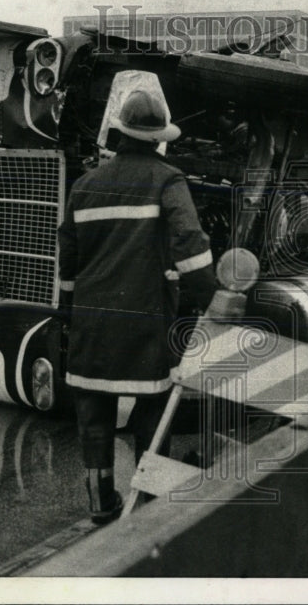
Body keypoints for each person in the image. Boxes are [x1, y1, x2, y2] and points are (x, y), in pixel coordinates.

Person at [57, 79, 217, 525]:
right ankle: (149, 505)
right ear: (157, 140)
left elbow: (67, 260)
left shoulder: (85, 186)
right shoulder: (168, 180)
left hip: (91, 320)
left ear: (120, 133)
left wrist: (69, 314)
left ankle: (100, 504)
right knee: (153, 410)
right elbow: (190, 242)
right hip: (145, 320)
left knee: (94, 413)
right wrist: (213, 301)